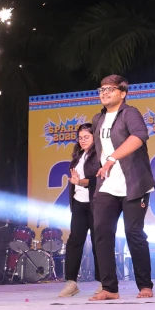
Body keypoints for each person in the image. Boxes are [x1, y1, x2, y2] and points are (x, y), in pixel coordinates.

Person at [89, 75, 155, 301]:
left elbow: (139, 136)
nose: (105, 92)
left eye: (110, 89)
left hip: (134, 183)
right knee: (101, 232)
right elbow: (97, 151)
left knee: (133, 233)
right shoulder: (98, 118)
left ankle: (145, 285)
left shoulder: (130, 113)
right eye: (102, 89)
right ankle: (109, 288)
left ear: (123, 93)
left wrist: (112, 159)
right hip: (107, 184)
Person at [60, 123, 101, 297]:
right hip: (79, 203)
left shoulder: (100, 155)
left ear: (94, 137)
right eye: (80, 138)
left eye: (86, 137)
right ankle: (71, 282)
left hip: (96, 204)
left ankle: (104, 282)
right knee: (74, 241)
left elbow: (99, 178)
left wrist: (81, 182)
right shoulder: (78, 156)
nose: (83, 141)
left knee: (99, 242)